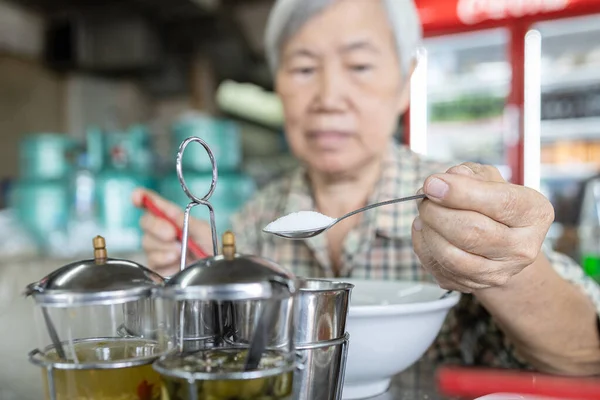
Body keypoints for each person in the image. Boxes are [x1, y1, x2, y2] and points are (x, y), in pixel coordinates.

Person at [133, 0, 600, 375]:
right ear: (278, 84)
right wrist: (197, 271)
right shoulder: (256, 221)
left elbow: (585, 357)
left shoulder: (458, 199)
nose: (329, 97)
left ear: (404, 84)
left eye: (358, 66)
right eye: (303, 69)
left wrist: (505, 265)